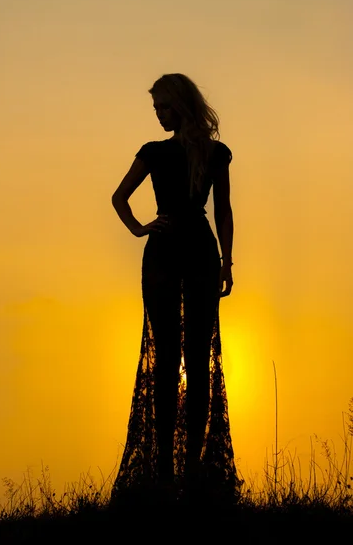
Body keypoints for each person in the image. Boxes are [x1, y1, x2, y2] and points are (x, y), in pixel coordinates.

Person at [111, 73, 241, 501]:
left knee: (198, 361)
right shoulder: (152, 153)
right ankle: (165, 471)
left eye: (164, 108)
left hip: (202, 256)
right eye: (155, 110)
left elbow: (223, 211)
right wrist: (140, 229)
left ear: (181, 107)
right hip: (163, 257)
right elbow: (119, 197)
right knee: (165, 361)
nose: (159, 115)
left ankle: (192, 472)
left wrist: (227, 262)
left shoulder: (215, 154)